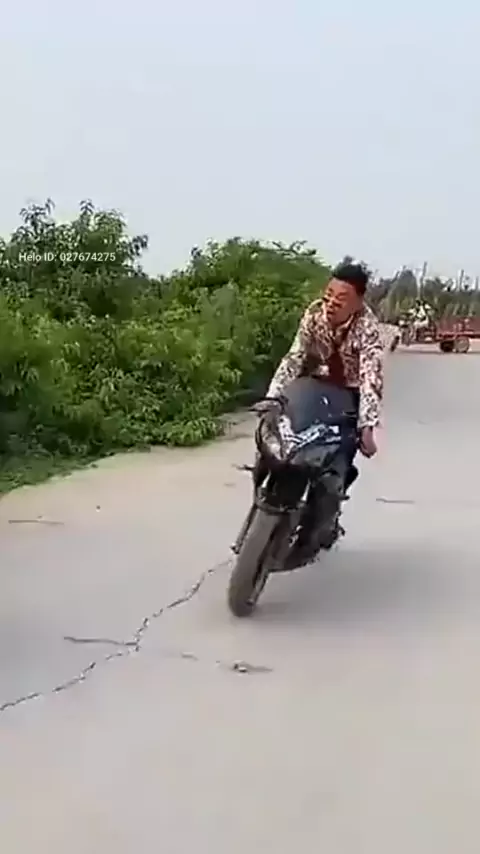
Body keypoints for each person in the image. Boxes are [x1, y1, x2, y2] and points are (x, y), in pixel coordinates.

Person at [265, 260, 384, 493]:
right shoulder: (314, 314)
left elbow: (370, 378)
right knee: (279, 437)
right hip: (315, 385)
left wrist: (367, 426)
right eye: (328, 295)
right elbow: (294, 357)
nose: (331, 304)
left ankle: (335, 489)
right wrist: (272, 398)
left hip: (349, 392)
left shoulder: (368, 328)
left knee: (337, 460)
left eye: (341, 299)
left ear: (358, 302)